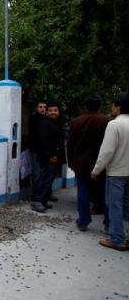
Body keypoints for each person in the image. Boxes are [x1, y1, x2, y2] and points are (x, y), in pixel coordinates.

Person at [91, 93, 129, 251]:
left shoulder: (114, 125)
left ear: (118, 107)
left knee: (115, 206)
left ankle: (116, 239)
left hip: (117, 173)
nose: (111, 108)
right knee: (127, 206)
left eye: (113, 105)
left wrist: (96, 169)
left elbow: (107, 151)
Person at [67, 96, 110, 231]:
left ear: (85, 107)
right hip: (102, 163)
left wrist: (71, 162)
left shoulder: (77, 121)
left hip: (82, 162)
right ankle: (109, 223)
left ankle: (83, 221)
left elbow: (71, 144)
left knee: (83, 191)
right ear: (99, 106)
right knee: (105, 193)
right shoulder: (107, 121)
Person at [31, 102, 65, 212]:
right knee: (44, 179)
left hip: (53, 157)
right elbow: (43, 140)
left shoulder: (55, 123)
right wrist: (51, 155)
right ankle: (37, 201)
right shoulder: (44, 123)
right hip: (48, 157)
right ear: (47, 112)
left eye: (55, 110)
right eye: (50, 110)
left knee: (48, 180)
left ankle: (43, 202)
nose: (53, 112)